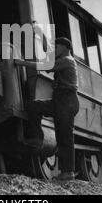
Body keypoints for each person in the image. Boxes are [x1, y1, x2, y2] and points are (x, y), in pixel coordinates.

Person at [14, 37, 79, 181]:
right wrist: (41, 36)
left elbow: (45, 66)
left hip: (67, 100)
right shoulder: (64, 59)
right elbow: (48, 57)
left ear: (64, 47)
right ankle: (37, 137)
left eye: (57, 46)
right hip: (60, 100)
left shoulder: (67, 60)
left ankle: (68, 172)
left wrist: (21, 63)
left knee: (65, 137)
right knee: (33, 106)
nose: (54, 49)